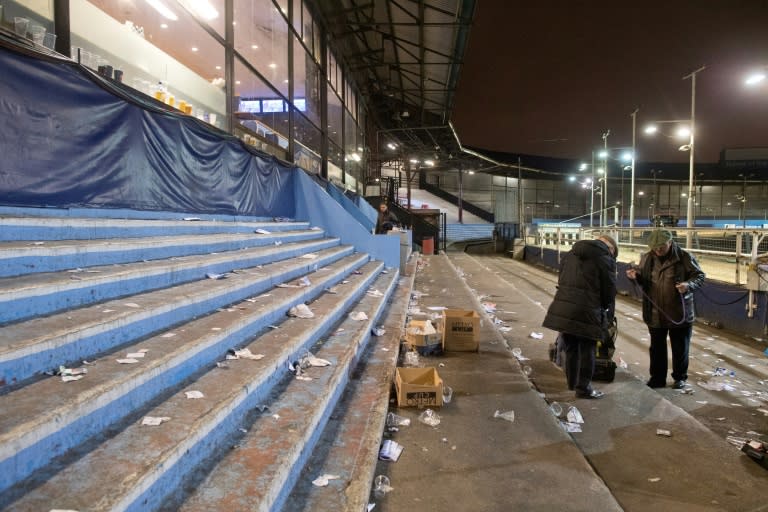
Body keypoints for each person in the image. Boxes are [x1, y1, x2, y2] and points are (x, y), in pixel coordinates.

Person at [626, 229, 705, 390]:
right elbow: (644, 280)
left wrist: (688, 285)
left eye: (661, 246)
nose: (658, 250)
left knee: (680, 347)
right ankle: (657, 378)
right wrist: (636, 276)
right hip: (655, 312)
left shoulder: (684, 257)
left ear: (670, 242)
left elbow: (700, 276)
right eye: (655, 247)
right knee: (656, 348)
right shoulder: (647, 258)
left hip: (679, 312)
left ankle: (679, 378)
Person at [543, 234, 618, 399]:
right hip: (589, 310)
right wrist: (603, 308)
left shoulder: (570, 254)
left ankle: (572, 384)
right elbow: (609, 290)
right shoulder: (605, 259)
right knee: (587, 350)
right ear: (611, 248)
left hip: (565, 308)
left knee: (571, 348)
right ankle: (583, 388)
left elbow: (561, 278)